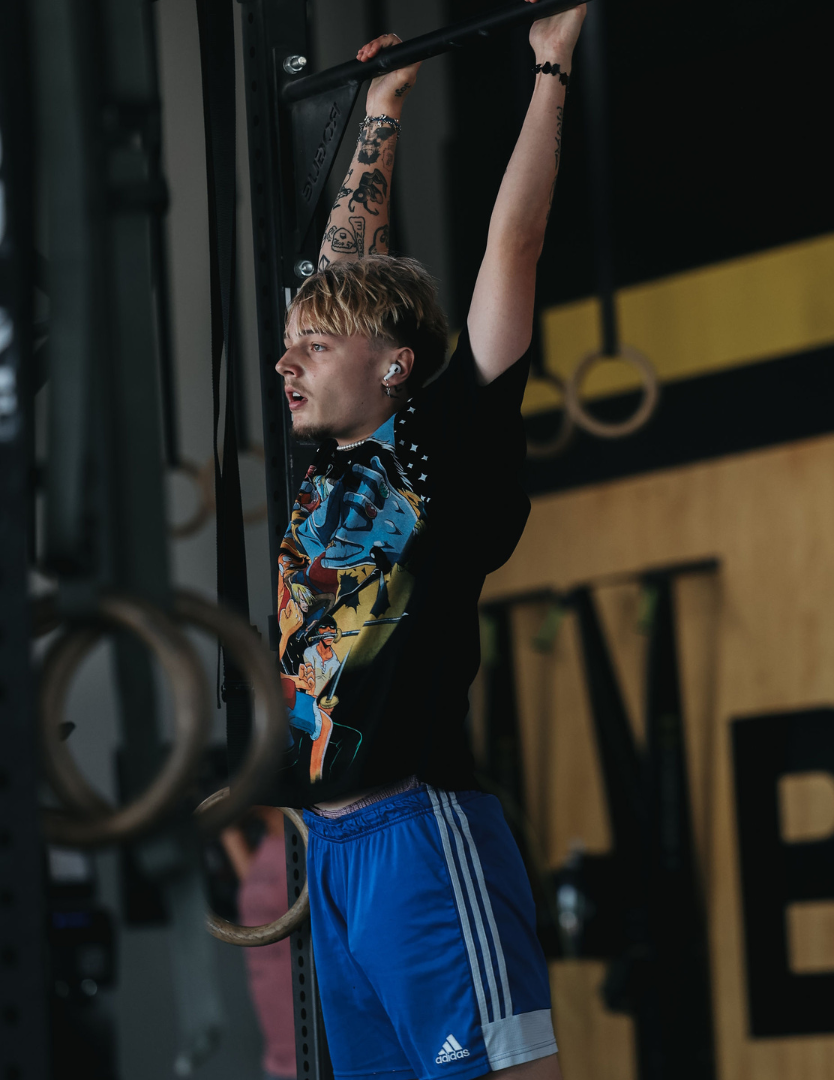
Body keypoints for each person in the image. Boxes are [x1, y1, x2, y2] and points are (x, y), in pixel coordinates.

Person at [261, 5, 586, 1079]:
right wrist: (383, 107)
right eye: (290, 348)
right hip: (334, 854)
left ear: (394, 365)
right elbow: (334, 267)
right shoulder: (324, 465)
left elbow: (515, 245)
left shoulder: (443, 442)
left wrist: (549, 66)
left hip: (419, 839)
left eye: (315, 347)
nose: (289, 364)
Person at [219, 809, 297, 1080]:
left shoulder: (303, 843)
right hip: (276, 1054)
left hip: (309, 1051)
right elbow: (254, 895)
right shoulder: (268, 844)